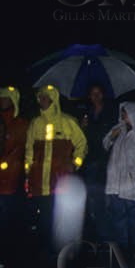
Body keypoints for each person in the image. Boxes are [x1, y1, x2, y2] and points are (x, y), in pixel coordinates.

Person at [24, 84, 88, 249]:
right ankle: (47, 252)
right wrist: (28, 172)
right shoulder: (35, 124)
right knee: (43, 219)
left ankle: (61, 251)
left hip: (60, 182)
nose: (42, 100)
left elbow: (82, 145)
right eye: (40, 97)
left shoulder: (68, 122)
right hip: (39, 183)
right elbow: (29, 151)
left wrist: (75, 164)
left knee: (60, 219)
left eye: (45, 97)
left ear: (53, 99)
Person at [102, 102, 135, 255]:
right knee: (118, 219)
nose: (123, 116)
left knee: (134, 219)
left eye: (125, 113)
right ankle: (122, 251)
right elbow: (105, 144)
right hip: (116, 185)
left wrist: (134, 174)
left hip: (133, 187)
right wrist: (112, 136)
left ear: (134, 114)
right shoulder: (120, 130)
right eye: (122, 113)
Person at [80, 82, 117, 241]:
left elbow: (110, 135)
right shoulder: (86, 113)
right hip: (91, 161)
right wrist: (83, 127)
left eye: (98, 93)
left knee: (105, 199)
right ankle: (96, 233)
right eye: (92, 93)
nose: (95, 96)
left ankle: (107, 235)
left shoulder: (111, 112)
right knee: (92, 199)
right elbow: (84, 139)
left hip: (106, 161)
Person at [0, 85, 28, 242]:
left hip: (11, 177)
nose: (2, 100)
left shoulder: (21, 124)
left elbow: (23, 148)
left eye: (5, 98)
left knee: (8, 212)